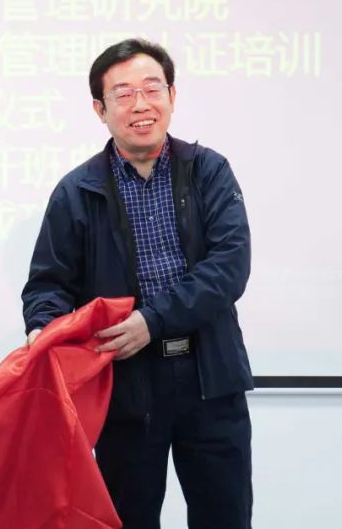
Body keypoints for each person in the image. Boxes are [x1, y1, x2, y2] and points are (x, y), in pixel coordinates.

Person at [21, 38, 253, 528]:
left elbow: (229, 266)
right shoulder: (76, 191)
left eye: (152, 89)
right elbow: (48, 283)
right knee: (127, 517)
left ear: (172, 96)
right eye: (124, 94)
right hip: (125, 386)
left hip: (210, 377)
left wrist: (152, 321)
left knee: (225, 516)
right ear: (100, 110)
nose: (141, 104)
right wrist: (44, 329)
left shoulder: (208, 171)